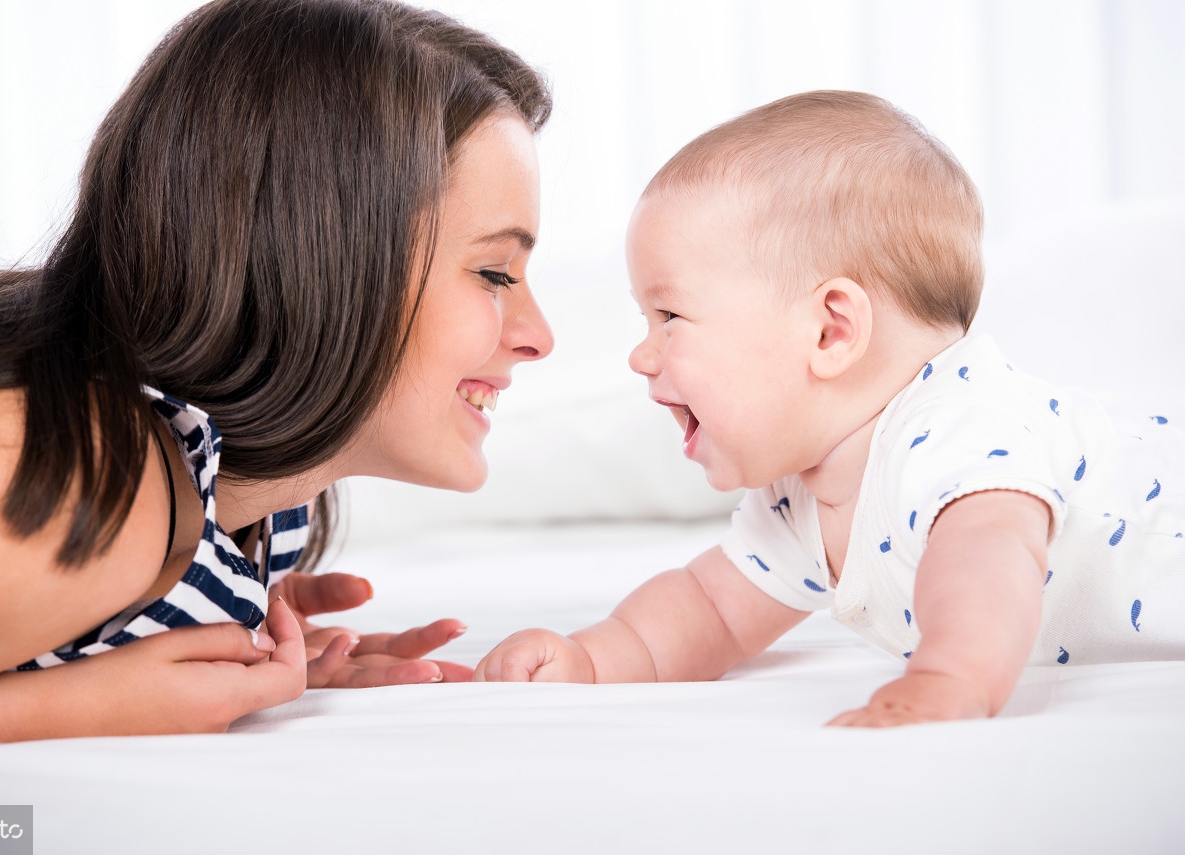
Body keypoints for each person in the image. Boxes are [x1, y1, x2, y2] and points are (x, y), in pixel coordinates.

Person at [0, 0, 554, 742]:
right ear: (321, 265)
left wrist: (231, 630)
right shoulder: (94, 477)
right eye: (495, 273)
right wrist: (81, 706)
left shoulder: (254, 508)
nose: (540, 337)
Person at [474, 90, 1185, 726]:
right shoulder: (803, 497)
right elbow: (711, 608)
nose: (641, 355)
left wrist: (950, 676)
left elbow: (987, 563)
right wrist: (594, 657)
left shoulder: (956, 429)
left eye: (668, 315)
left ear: (830, 331)